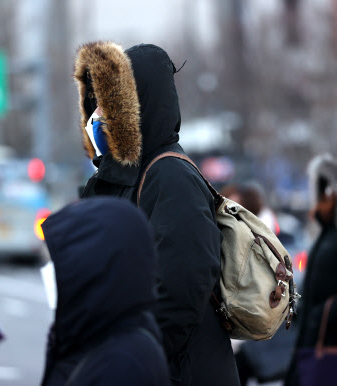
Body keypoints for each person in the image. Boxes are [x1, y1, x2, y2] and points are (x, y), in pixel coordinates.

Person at [74, 41, 239, 385]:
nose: (99, 115)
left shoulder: (169, 175)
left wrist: (133, 360)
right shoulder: (125, 176)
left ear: (139, 105)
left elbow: (180, 288)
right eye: (97, 105)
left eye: (110, 103)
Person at [40, 197, 170, 386]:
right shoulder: (95, 334)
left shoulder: (123, 363)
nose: (55, 276)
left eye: (61, 266)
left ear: (91, 268)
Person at [285, 154, 337, 386]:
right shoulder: (326, 232)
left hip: (336, 342)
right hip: (311, 340)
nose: (326, 199)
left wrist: (322, 314)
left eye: (331, 191)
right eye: (322, 192)